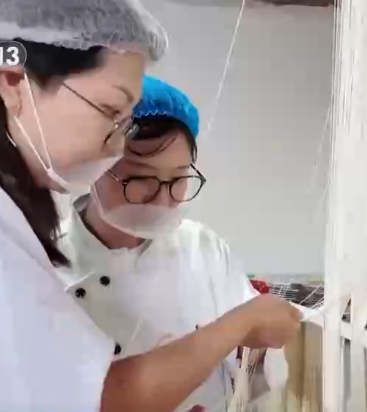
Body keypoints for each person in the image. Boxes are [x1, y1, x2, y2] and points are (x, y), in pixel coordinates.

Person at [0, 2, 299, 412]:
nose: (116, 145)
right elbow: (85, 399)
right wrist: (239, 324)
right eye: (110, 111)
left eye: (178, 180)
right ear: (13, 80)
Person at [57, 76, 291, 412]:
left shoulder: (203, 248)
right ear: (93, 167)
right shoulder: (45, 260)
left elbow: (249, 369)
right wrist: (236, 326)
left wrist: (258, 347)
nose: (163, 198)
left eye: (179, 178)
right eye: (140, 178)